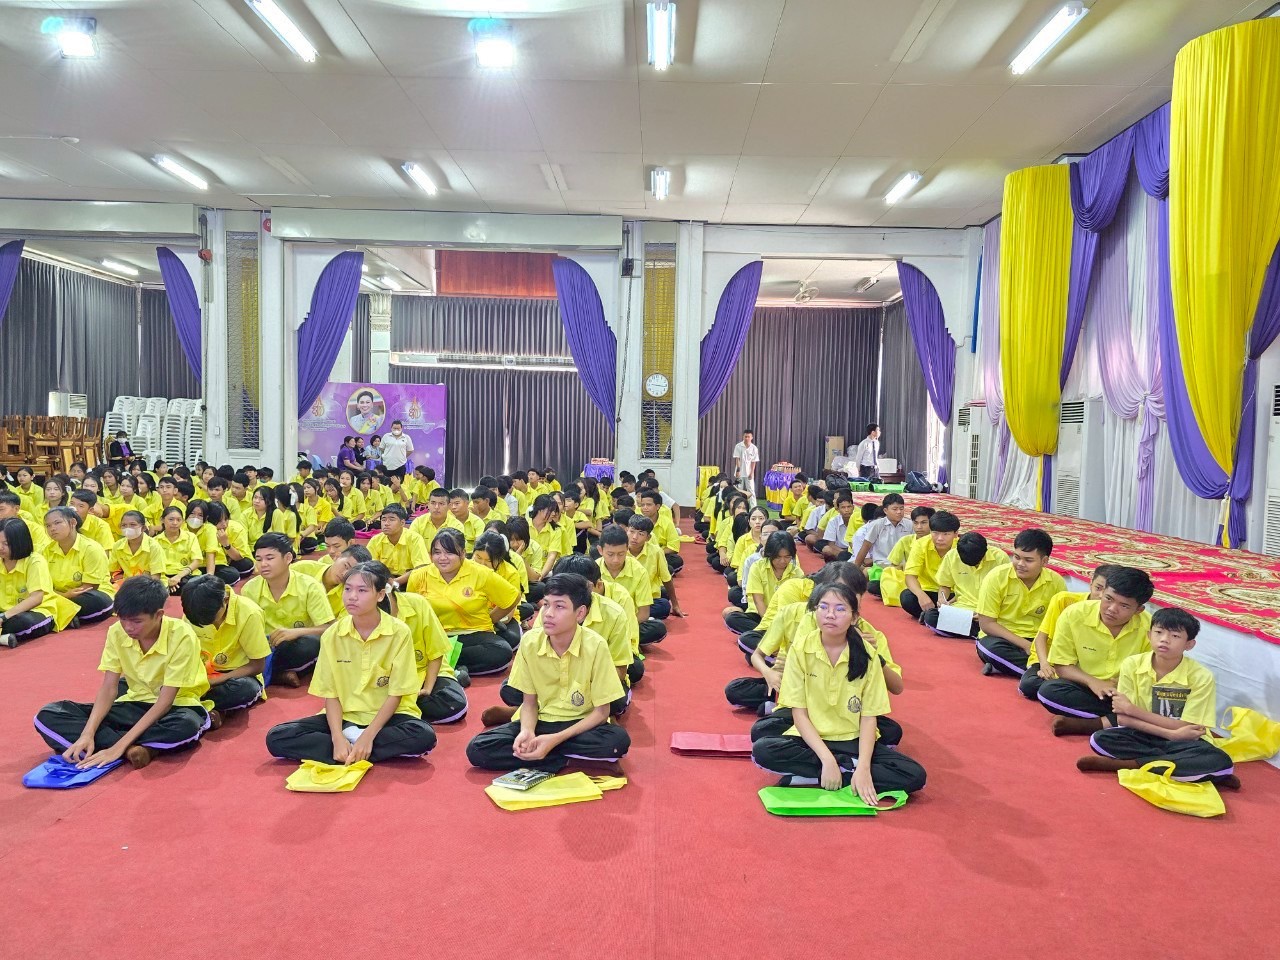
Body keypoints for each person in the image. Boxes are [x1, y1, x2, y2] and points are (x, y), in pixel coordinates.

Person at [750, 582, 926, 798]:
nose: (830, 615)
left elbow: (869, 717)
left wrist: (863, 768)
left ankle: (829, 775)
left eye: (840, 609)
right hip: (812, 738)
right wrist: (827, 759)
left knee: (914, 775)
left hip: (852, 738)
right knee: (763, 751)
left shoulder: (868, 653)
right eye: (823, 607)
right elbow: (799, 713)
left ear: (854, 617)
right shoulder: (801, 648)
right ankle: (841, 768)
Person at [265, 563, 436, 765]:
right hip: (345, 716)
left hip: (390, 717)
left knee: (423, 736)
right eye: (348, 589)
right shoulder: (332, 634)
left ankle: (351, 748)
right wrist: (337, 737)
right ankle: (352, 747)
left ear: (380, 595)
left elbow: (396, 694)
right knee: (277, 737)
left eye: (362, 590)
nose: (352, 597)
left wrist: (368, 736)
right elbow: (331, 694)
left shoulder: (399, 632)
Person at [34, 575, 211, 770]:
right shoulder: (116, 631)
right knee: (48, 715)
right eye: (122, 619)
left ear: (159, 614)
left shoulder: (182, 635)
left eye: (136, 621)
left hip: (176, 707)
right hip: (133, 703)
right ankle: (137, 748)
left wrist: (117, 746)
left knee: (185, 725)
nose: (128, 627)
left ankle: (117, 743)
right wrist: (87, 733)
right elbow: (109, 688)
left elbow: (165, 702)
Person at [465, 573, 630, 773]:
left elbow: (602, 713)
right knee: (478, 749)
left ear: (580, 613)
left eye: (559, 606)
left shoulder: (595, 646)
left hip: (580, 724)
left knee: (617, 742)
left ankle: (546, 752)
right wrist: (527, 731)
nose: (548, 614)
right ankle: (567, 760)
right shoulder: (530, 642)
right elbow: (529, 703)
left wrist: (554, 740)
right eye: (545, 604)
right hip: (542, 721)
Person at [1077, 607, 1237, 787]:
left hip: (1185, 742)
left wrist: (1132, 710)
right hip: (1143, 734)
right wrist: (1170, 733)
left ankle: (1128, 765)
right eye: (1159, 632)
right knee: (1100, 739)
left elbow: (1189, 728)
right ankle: (1189, 770)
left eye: (1175, 636)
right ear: (1149, 635)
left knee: (1220, 760)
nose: (1164, 640)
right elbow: (1123, 719)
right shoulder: (1132, 664)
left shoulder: (1201, 676)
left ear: (1189, 644)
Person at [1038, 566, 1154, 735]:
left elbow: (1153, 672)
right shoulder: (1074, 614)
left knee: (1158, 699)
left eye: (1124, 606)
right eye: (1108, 598)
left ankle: (1097, 724)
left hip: (1126, 693)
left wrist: (1122, 685)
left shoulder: (1150, 627)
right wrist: (1093, 682)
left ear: (1139, 610)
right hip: (1086, 687)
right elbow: (1062, 666)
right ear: (1102, 592)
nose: (1111, 609)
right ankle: (1121, 722)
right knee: (1048, 691)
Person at [405, 529, 519, 675]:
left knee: (501, 651)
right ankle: (454, 670)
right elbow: (410, 613)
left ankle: (442, 666)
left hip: (471, 634)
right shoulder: (419, 576)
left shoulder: (481, 573)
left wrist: (492, 618)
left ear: (463, 553)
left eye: (449, 553)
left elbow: (512, 598)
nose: (442, 558)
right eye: (437, 552)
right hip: (434, 636)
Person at [241, 533, 334, 688]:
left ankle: (267, 673)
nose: (263, 564)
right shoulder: (249, 589)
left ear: (288, 558)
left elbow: (329, 628)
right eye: (258, 559)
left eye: (270, 558)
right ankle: (278, 673)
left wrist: (295, 633)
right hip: (263, 647)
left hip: (295, 644)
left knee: (314, 645)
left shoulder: (310, 586)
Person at [974, 528, 1066, 678]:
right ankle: (1042, 674)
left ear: (1044, 561)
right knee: (988, 647)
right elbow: (987, 624)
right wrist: (1026, 645)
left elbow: (1060, 623)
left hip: (1039, 641)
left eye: (1028, 560)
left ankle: (1019, 670)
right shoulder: (996, 577)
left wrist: (1038, 647)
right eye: (1016, 557)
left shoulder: (1056, 582)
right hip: (1003, 639)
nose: (1020, 564)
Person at [1018, 565, 1118, 701]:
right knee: (1030, 685)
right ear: (1090, 584)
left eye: (1106, 593)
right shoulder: (1064, 600)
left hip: (1082, 671)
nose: (1100, 596)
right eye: (1098, 588)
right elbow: (1041, 637)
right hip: (1053, 662)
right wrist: (1044, 664)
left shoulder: (1112, 615)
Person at [181, 575, 270, 726]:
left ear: (226, 600)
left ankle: (195, 707)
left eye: (211, 619)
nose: (206, 624)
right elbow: (184, 654)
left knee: (247, 689)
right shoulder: (195, 610)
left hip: (235, 675)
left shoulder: (249, 613)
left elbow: (257, 665)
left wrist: (216, 681)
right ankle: (209, 709)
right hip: (201, 674)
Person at [925, 531, 1010, 635]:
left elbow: (1008, 593)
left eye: (977, 563)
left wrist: (987, 614)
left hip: (989, 612)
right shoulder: (952, 556)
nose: (974, 566)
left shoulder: (1000, 558)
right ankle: (982, 632)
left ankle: (976, 630)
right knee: (931, 616)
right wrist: (942, 600)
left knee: (1005, 621)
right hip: (962, 610)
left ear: (985, 551)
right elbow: (945, 586)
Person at [42, 506, 115, 626]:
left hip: (89, 594)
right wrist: (64, 595)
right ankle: (67, 617)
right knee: (34, 597)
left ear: (73, 522)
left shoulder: (91, 548)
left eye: (57, 523)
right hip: (60, 595)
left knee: (93, 601)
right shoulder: (46, 551)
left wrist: (60, 597)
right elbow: (44, 586)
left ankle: (57, 617)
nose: (52, 529)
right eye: (48, 526)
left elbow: (90, 587)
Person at [0, 517, 65, 647]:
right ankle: (4, 638)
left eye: (6, 544)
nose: (0, 548)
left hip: (35, 611)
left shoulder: (34, 561)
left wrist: (4, 617)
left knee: (22, 622)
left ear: (20, 542)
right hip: (4, 612)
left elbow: (36, 598)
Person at [598, 524, 665, 646]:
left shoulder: (639, 571)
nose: (616, 560)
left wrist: (620, 630)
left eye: (621, 554)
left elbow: (643, 613)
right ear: (600, 550)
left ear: (627, 549)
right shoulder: (593, 570)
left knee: (658, 628)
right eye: (610, 554)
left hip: (630, 622)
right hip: (600, 625)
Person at [724, 531, 800, 634]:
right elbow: (758, 601)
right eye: (778, 557)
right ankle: (772, 637)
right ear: (769, 554)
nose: (782, 561)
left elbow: (796, 606)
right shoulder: (757, 567)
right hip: (761, 615)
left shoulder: (797, 572)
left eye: (787, 557)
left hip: (784, 620)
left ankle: (762, 637)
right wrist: (770, 626)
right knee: (732, 618)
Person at [900, 509, 961, 619]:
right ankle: (935, 615)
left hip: (953, 594)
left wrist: (951, 600)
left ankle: (931, 616)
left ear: (955, 534)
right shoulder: (921, 544)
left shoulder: (961, 548)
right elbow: (910, 576)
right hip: (928, 591)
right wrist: (921, 595)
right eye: (935, 533)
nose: (940, 538)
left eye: (946, 534)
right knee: (907, 597)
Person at [627, 515, 684, 619]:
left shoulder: (656, 552)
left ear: (648, 538)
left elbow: (666, 579)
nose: (634, 537)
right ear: (626, 530)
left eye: (641, 534)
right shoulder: (620, 550)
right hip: (625, 599)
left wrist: (675, 605)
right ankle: (641, 618)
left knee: (664, 606)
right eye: (632, 531)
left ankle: (632, 617)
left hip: (648, 600)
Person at [368, 503, 428, 587]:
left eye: (391, 519)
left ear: (402, 523)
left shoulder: (414, 539)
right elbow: (369, 567)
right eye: (383, 519)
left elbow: (421, 567)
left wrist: (395, 582)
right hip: (384, 581)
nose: (386, 523)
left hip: (409, 580)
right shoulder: (375, 540)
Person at [852, 493, 913, 573]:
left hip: (904, 567)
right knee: (866, 573)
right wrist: (855, 569)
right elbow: (865, 547)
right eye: (895, 509)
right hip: (881, 567)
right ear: (885, 511)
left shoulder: (910, 525)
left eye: (901, 508)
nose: (899, 512)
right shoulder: (877, 525)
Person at [109, 509, 167, 583]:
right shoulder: (117, 546)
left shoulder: (154, 547)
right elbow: (110, 571)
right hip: (129, 584)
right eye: (124, 525)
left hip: (152, 585)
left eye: (132, 525)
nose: (128, 528)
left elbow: (156, 578)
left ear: (143, 528)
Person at [818, 493, 856, 561]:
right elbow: (831, 544)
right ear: (838, 509)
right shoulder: (833, 521)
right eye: (843, 507)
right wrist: (845, 554)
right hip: (839, 550)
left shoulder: (859, 520)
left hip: (855, 550)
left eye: (849, 507)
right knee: (826, 550)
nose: (846, 510)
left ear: (853, 507)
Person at [731, 429, 760, 506]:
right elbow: (737, 459)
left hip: (749, 473)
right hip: (740, 472)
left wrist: (752, 473)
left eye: (748, 437)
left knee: (751, 490)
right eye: (745, 436)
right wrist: (738, 470)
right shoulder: (738, 446)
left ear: (752, 437)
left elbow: (754, 462)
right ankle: (737, 506)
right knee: (739, 490)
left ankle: (753, 507)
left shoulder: (754, 448)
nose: (746, 438)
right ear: (743, 437)